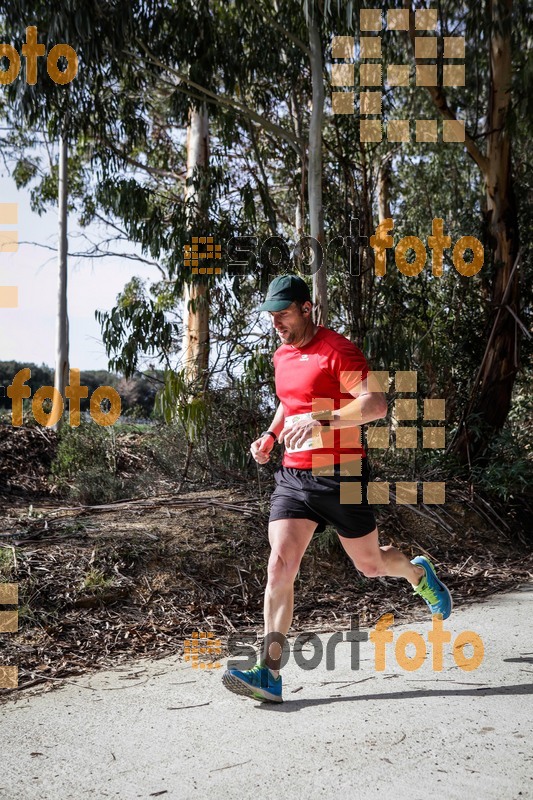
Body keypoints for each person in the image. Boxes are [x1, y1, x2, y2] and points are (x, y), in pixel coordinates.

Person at [222, 274, 452, 703]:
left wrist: (322, 420)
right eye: (271, 316)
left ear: (307, 309)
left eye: (284, 314)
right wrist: (271, 437)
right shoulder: (282, 355)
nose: (277, 323)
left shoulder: (337, 350)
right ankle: (269, 673)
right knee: (279, 567)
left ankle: (418, 573)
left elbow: (376, 404)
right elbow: (290, 403)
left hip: (343, 473)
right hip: (295, 476)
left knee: (371, 566)